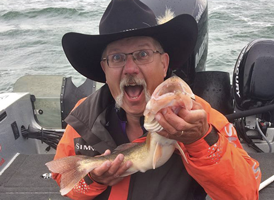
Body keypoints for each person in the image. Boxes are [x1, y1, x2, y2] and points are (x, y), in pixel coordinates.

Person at [52, 0, 261, 199]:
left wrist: (201, 140)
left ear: (164, 63)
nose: (130, 69)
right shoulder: (83, 116)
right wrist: (93, 179)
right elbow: (64, 180)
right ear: (104, 70)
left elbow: (245, 194)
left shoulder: (201, 118)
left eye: (142, 54)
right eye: (117, 58)